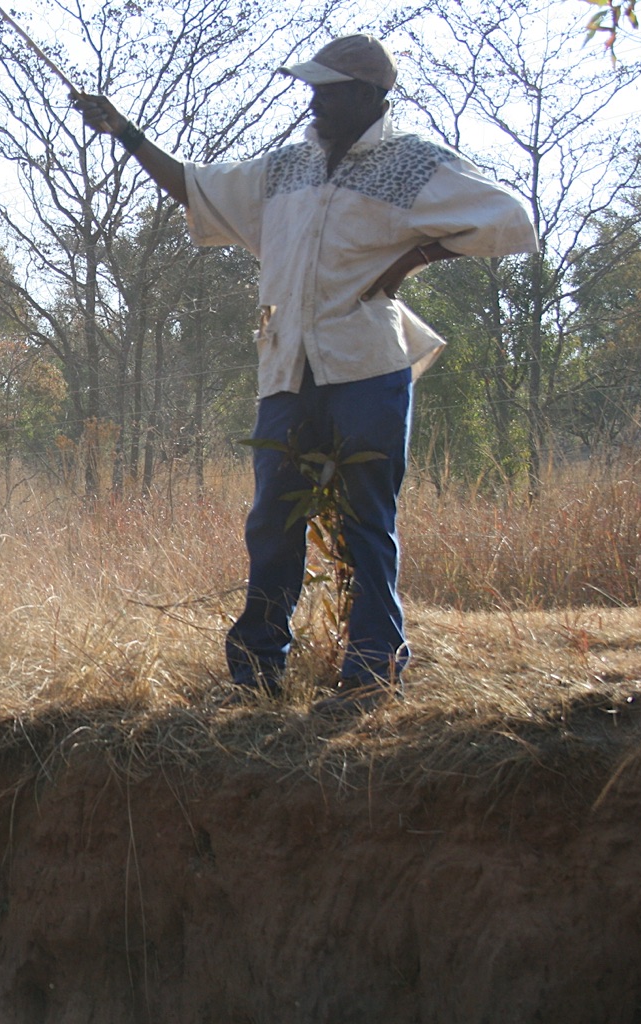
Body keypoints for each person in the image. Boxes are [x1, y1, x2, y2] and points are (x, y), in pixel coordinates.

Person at [72, 34, 537, 711]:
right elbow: (196, 187)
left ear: (367, 96)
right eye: (312, 89)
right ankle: (257, 672)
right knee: (272, 522)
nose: (313, 102)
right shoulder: (286, 169)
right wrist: (126, 132)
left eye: (326, 91)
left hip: (367, 367)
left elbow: (510, 219)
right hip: (287, 369)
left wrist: (413, 259)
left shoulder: (414, 164)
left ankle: (372, 670)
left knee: (365, 520)